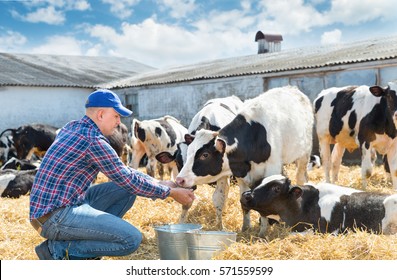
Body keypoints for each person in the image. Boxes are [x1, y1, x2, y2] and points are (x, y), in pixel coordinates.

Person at [29, 89, 195, 260]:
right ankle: (57, 250)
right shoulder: (93, 140)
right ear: (101, 115)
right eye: (116, 116)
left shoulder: (73, 126)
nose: (118, 122)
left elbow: (123, 173)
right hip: (54, 217)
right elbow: (127, 179)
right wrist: (171, 193)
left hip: (57, 206)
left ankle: (90, 242)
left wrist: (159, 183)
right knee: (130, 239)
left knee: (126, 190)